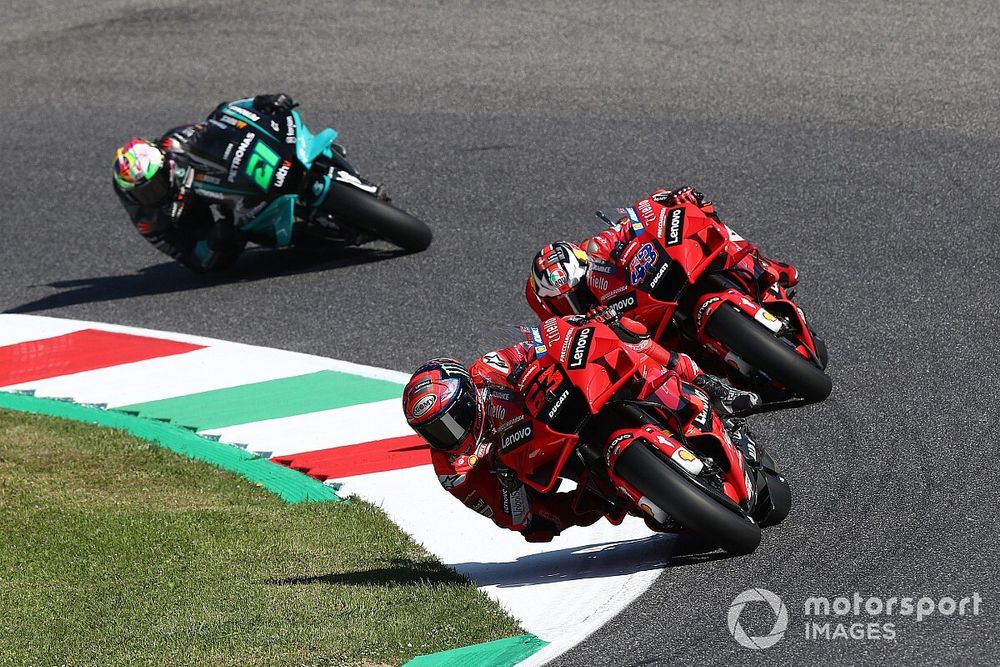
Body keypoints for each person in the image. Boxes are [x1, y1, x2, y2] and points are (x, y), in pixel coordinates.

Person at [401, 307, 761, 543]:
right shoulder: (453, 468)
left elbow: (534, 346)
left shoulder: (485, 372)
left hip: (566, 403)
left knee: (624, 334)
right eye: (436, 431)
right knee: (546, 521)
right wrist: (514, 491)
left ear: (467, 396)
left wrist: (573, 328)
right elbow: (511, 516)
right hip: (550, 459)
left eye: (451, 419)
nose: (451, 434)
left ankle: (707, 387)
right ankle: (630, 493)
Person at [112, 93, 376, 271]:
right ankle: (309, 237)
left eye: (154, 185)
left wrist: (261, 103)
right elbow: (183, 254)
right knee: (234, 240)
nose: (153, 194)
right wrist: (212, 245)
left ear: (164, 165)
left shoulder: (175, 142)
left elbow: (222, 118)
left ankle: (355, 180)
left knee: (301, 144)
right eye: (145, 192)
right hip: (208, 214)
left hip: (224, 173)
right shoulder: (146, 215)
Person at [525, 186, 800, 319]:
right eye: (566, 298)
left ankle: (765, 266)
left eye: (573, 292)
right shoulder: (558, 314)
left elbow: (633, 221)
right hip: (635, 326)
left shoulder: (595, 248)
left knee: (699, 214)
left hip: (645, 288)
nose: (574, 299)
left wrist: (668, 199)